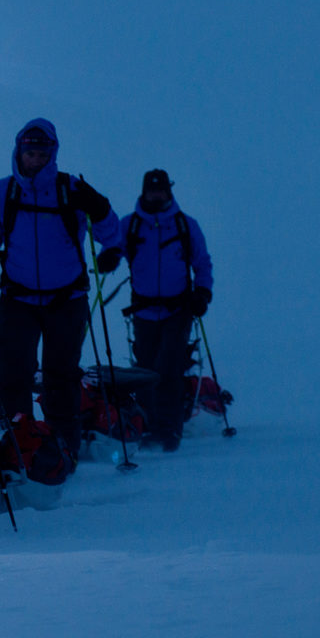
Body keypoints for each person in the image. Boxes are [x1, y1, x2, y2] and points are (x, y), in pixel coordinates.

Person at [0, 119, 123, 478]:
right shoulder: (3, 192)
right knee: (14, 372)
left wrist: (101, 214)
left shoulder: (73, 190)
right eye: (29, 152)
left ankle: (64, 450)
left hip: (67, 299)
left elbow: (113, 236)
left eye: (41, 154)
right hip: (18, 298)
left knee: (61, 376)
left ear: (52, 154)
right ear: (18, 152)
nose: (34, 159)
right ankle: (18, 446)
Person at [120, 169, 214, 451]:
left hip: (178, 309)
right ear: (144, 191)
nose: (156, 195)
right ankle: (147, 427)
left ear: (169, 192)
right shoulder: (130, 225)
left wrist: (203, 292)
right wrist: (106, 259)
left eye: (161, 190)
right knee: (145, 370)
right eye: (152, 190)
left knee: (169, 369)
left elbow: (202, 263)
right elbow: (112, 248)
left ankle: (169, 430)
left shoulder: (186, 225)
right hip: (144, 311)